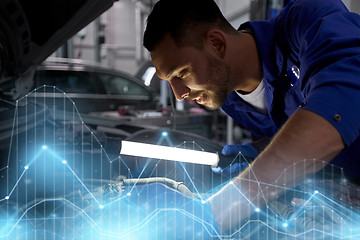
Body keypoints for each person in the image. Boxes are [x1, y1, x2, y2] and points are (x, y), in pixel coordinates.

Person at [143, 0, 360, 233]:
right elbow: (298, 140)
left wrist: (223, 208)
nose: (179, 94)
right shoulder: (231, 101)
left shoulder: (307, 20)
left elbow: (344, 100)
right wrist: (258, 152)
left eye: (182, 73)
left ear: (216, 43)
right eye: (170, 82)